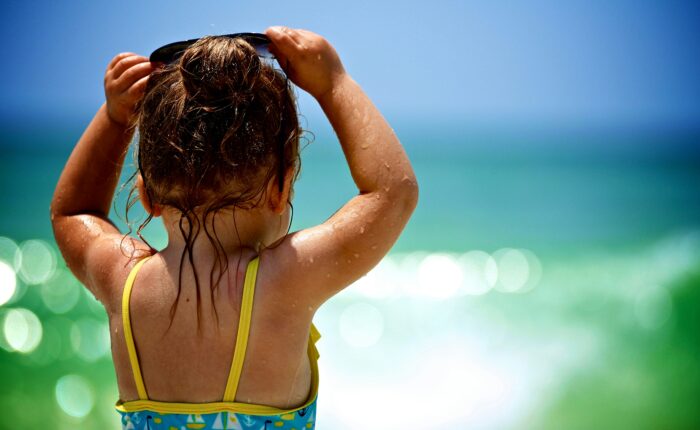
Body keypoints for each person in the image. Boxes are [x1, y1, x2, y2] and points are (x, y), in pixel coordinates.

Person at [50, 26, 418, 429]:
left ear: (147, 195)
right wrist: (333, 82)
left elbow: (73, 212)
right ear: (280, 189)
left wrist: (115, 117)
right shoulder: (285, 280)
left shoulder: (123, 279)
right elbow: (392, 193)